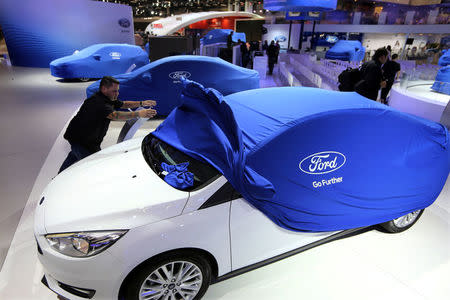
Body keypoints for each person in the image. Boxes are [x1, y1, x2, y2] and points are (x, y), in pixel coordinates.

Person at [58, 76, 157, 173]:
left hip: (86, 139)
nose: (117, 93)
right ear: (104, 89)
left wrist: (141, 103)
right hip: (82, 140)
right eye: (114, 91)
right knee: (93, 166)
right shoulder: (98, 102)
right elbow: (115, 115)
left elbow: (123, 104)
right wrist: (138, 113)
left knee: (73, 157)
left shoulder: (108, 98)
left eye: (117, 91)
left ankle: (58, 177)